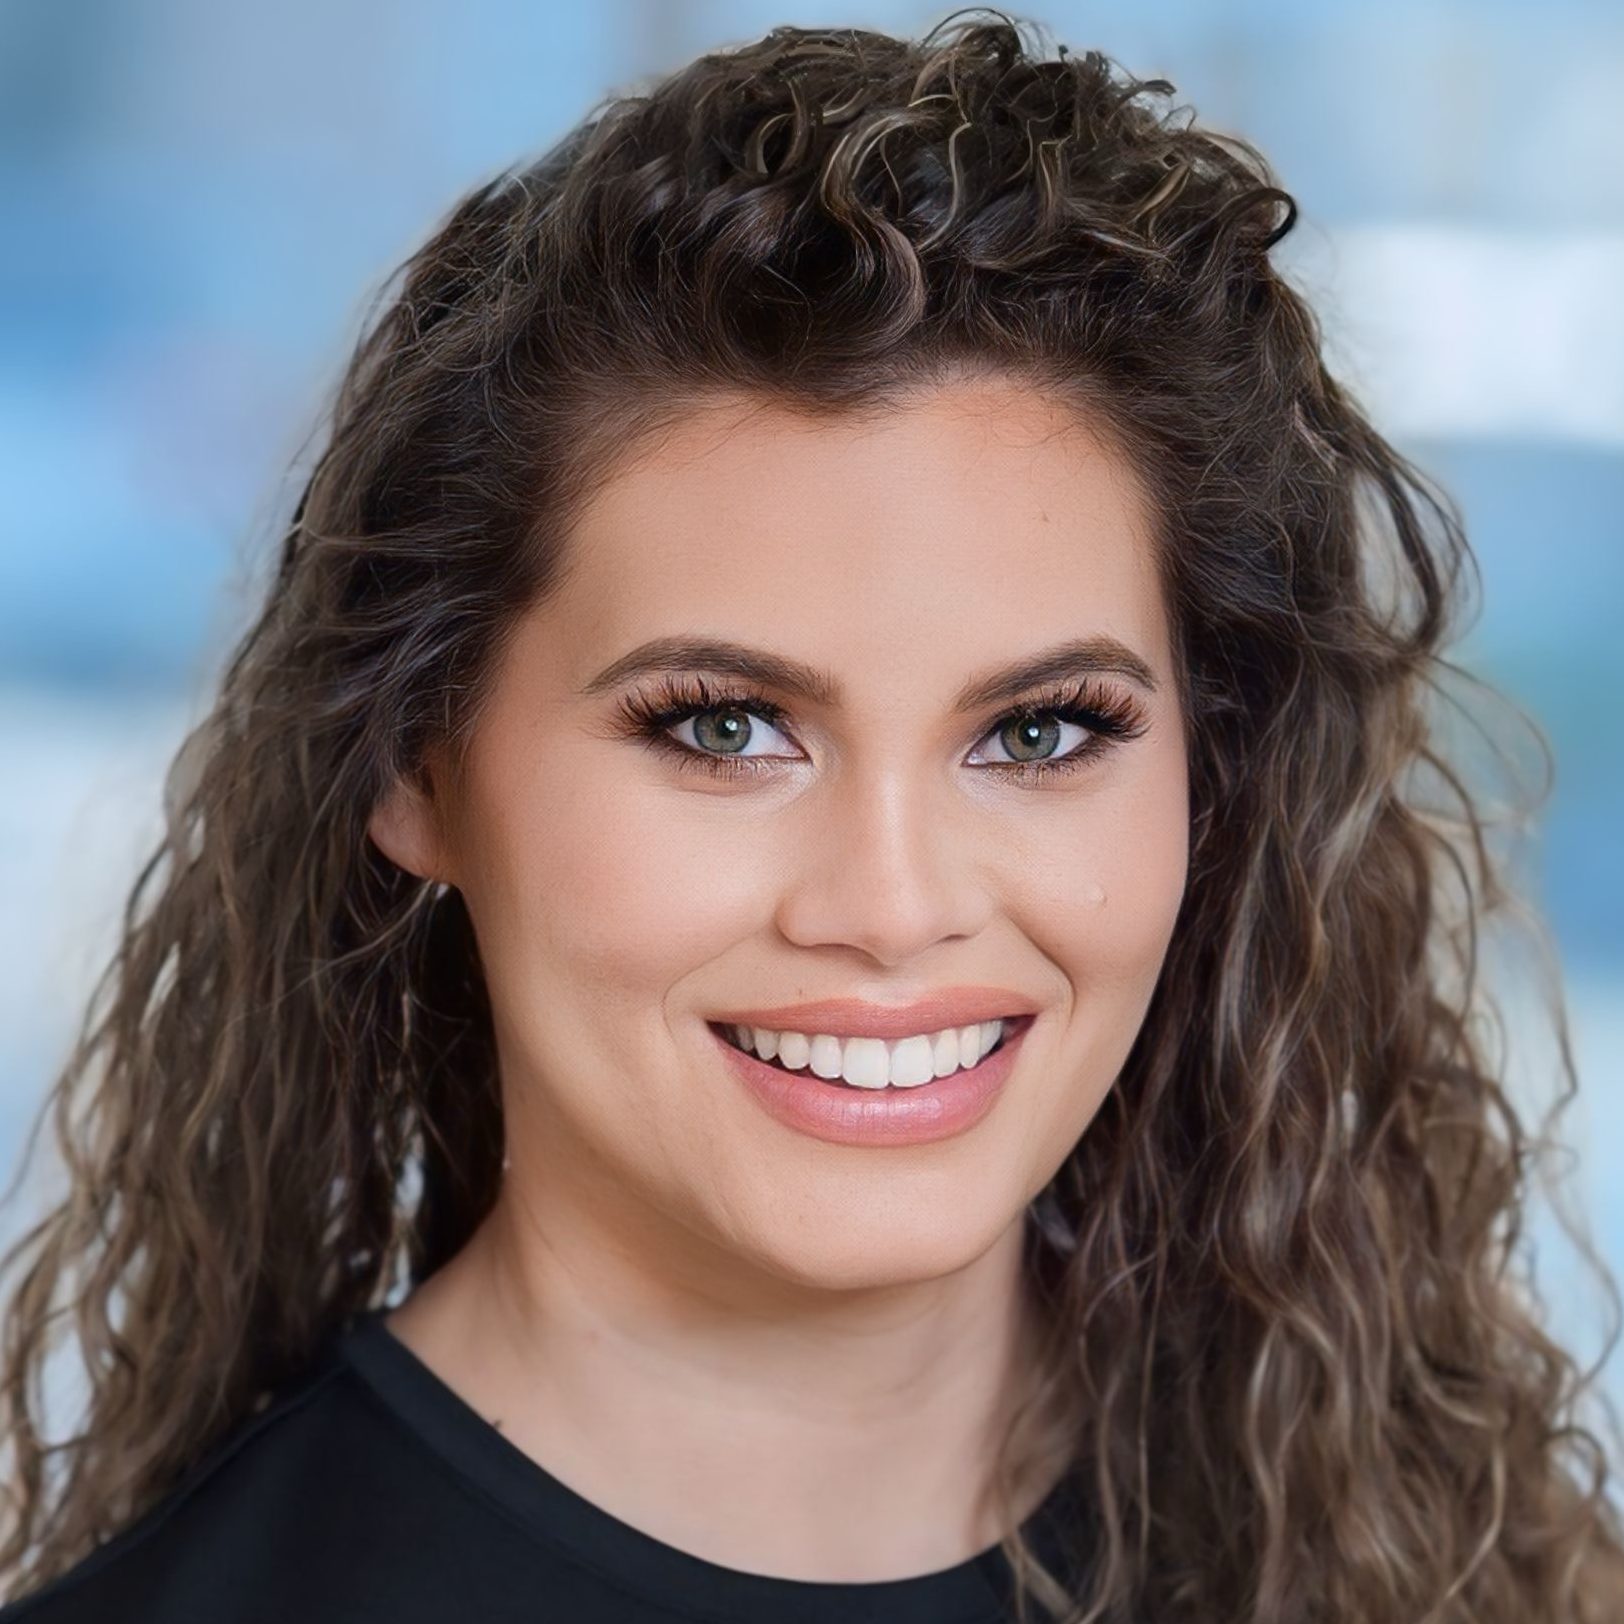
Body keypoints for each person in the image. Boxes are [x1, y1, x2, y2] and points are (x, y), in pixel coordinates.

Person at [1, 9, 1620, 1621]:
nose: (894, 904)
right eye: (723, 727)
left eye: (1041, 731)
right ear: (416, 768)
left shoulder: (1483, 1575)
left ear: (1216, 775)